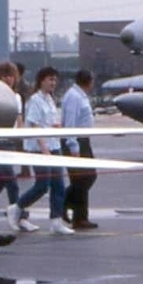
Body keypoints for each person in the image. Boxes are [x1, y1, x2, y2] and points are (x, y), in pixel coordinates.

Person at [17, 66, 72, 235]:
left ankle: (56, 220)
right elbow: (34, 125)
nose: (53, 83)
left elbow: (49, 122)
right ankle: (17, 207)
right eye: (50, 79)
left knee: (59, 186)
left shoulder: (50, 99)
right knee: (42, 185)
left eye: (55, 80)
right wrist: (43, 148)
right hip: (40, 148)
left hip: (54, 145)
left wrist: (57, 128)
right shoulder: (35, 100)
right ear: (42, 81)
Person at [0, 60, 25, 229]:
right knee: (11, 181)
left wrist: (21, 140)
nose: (8, 79)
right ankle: (16, 213)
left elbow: (19, 119)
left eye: (10, 76)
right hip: (0, 141)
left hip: (11, 141)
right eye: (4, 76)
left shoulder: (17, 97)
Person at [62, 68, 98, 229]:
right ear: (89, 81)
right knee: (83, 178)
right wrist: (73, 145)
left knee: (87, 177)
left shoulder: (79, 95)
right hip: (76, 141)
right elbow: (70, 122)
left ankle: (77, 213)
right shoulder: (74, 97)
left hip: (84, 140)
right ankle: (66, 204)